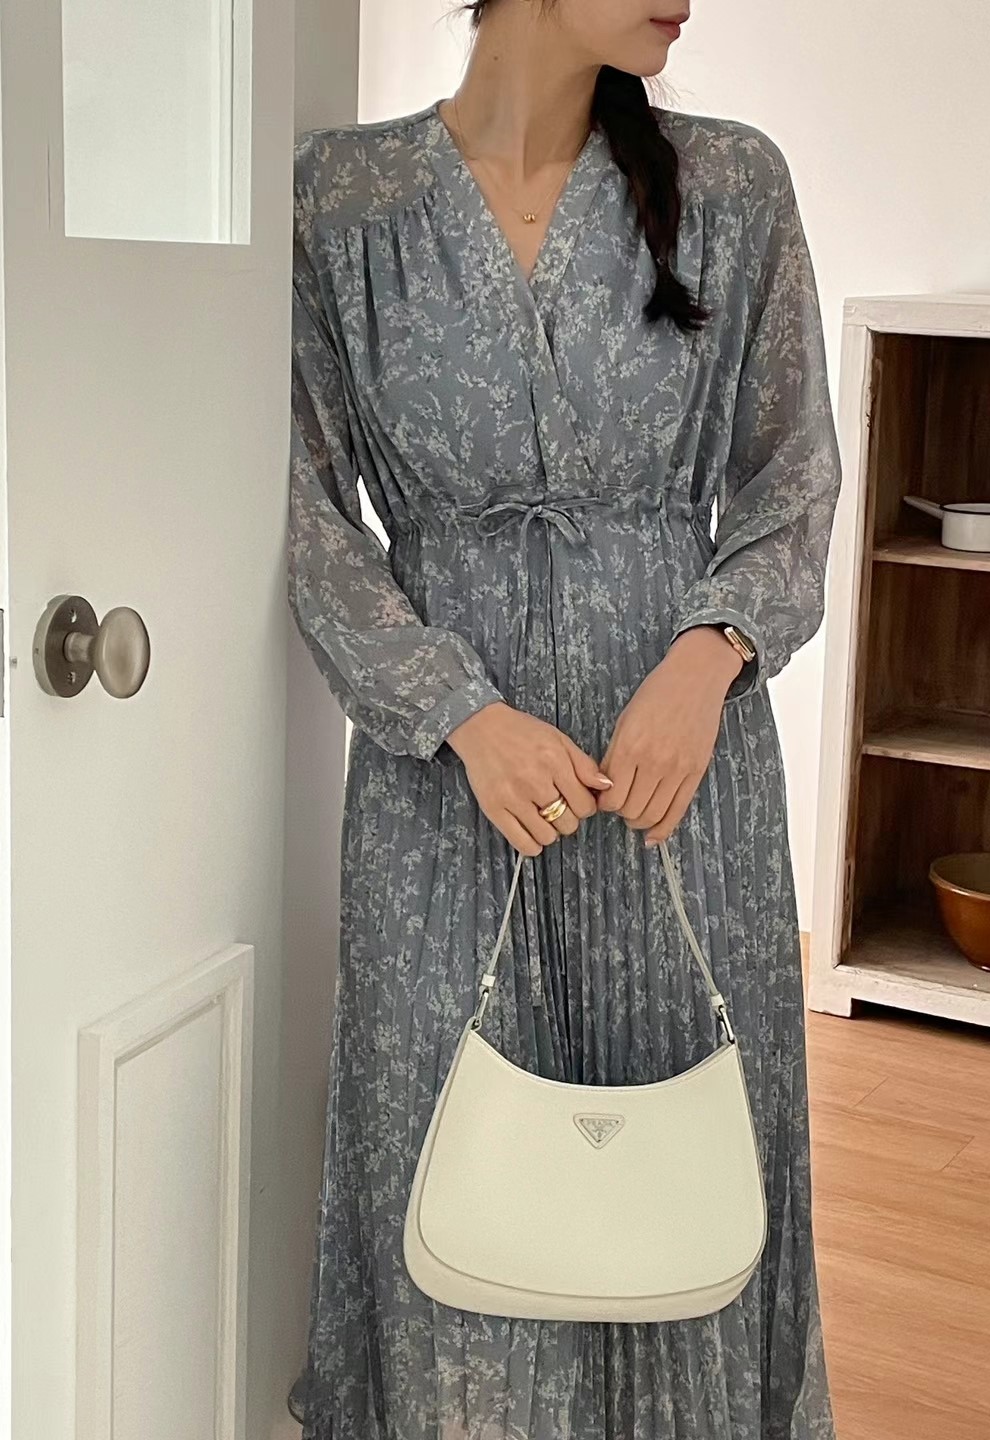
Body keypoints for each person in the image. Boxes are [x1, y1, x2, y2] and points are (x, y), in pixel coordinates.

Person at [287, 0, 842, 1435]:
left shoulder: (732, 185)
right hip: (443, 797)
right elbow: (307, 519)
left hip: (681, 786)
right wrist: (459, 713)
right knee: (454, 1196)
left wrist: (708, 657)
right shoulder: (342, 200)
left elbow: (791, 480)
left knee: (683, 1191)